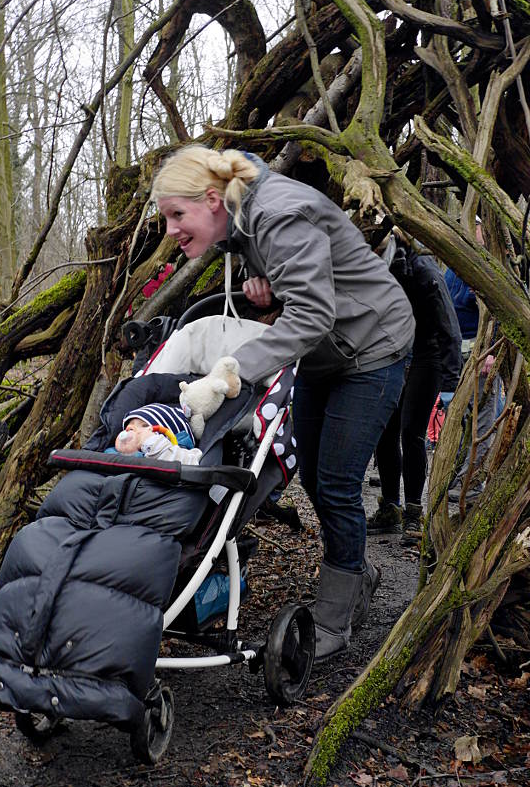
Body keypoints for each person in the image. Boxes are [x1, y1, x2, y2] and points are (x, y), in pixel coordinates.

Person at [150, 146, 414, 661]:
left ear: (211, 199)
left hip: (372, 347)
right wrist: (270, 293)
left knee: (336, 483)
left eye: (177, 215)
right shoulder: (244, 223)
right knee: (314, 476)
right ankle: (357, 569)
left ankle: (336, 619)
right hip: (325, 353)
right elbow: (308, 285)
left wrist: (231, 371)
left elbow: (313, 314)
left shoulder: (275, 214)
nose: (171, 230)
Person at [367, 234, 461, 545]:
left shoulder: (424, 271)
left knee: (411, 432)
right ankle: (390, 509)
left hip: (427, 354)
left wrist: (450, 384)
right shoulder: (380, 265)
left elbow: (450, 329)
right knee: (385, 429)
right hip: (395, 352)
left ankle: (412, 512)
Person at [443, 235, 499, 503]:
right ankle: (457, 474)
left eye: (478, 228)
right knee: (460, 416)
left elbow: (499, 310)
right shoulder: (453, 266)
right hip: (458, 353)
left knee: (482, 417)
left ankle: (473, 482)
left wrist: (491, 351)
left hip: (481, 353)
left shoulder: (487, 266)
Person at [107, 403, 203, 465]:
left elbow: (193, 465)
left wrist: (154, 444)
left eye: (145, 426)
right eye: (130, 425)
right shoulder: (110, 455)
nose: (130, 428)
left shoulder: (181, 454)